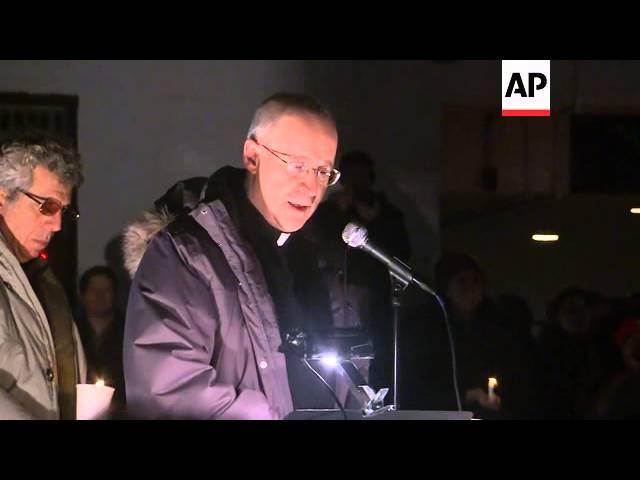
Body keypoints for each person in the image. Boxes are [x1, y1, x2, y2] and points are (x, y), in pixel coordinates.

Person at [123, 92, 346, 419]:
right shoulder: (187, 255)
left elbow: (347, 376)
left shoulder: (320, 259)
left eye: (323, 171)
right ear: (253, 157)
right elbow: (168, 391)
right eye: (297, 165)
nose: (311, 187)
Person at [0, 138, 87, 419]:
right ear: (3, 198)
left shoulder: (46, 285)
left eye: (63, 211)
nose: (58, 224)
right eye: (47, 206)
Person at [76, 265, 126, 408]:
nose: (100, 296)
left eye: (106, 291)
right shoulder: (72, 332)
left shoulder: (128, 331)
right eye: (94, 290)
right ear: (83, 295)